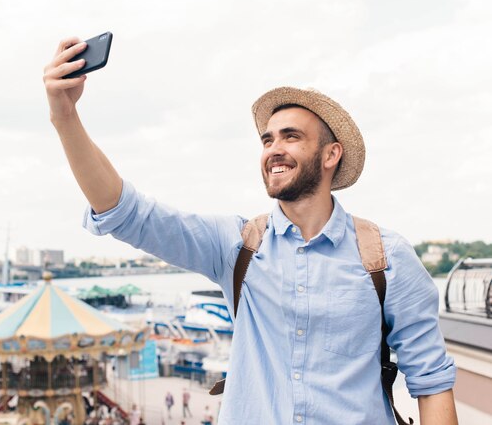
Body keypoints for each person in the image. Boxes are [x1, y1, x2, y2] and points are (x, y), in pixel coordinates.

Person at [44, 37, 458, 424]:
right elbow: (127, 213)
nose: (274, 149)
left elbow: (433, 384)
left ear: (332, 154)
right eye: (267, 140)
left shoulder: (387, 257)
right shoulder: (236, 246)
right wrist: (64, 117)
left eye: (291, 137)